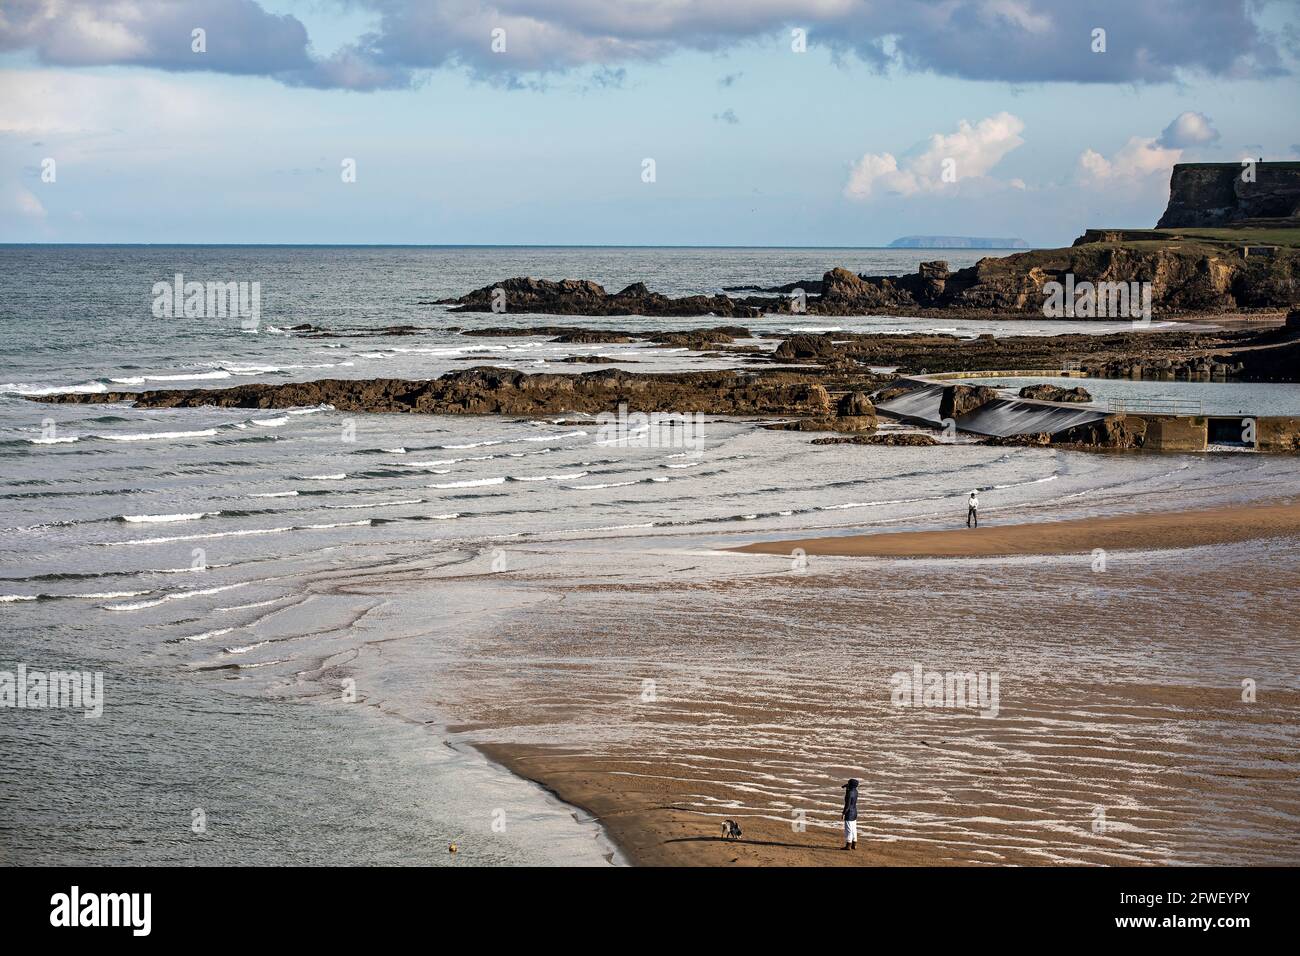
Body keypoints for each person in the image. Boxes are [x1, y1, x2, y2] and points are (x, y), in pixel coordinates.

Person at [841, 778, 859, 850]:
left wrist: (843, 813)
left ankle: (848, 845)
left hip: (849, 813)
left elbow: (847, 805)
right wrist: (847, 788)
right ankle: (854, 844)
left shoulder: (849, 793)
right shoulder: (856, 791)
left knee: (848, 829)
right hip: (854, 812)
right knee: (854, 828)